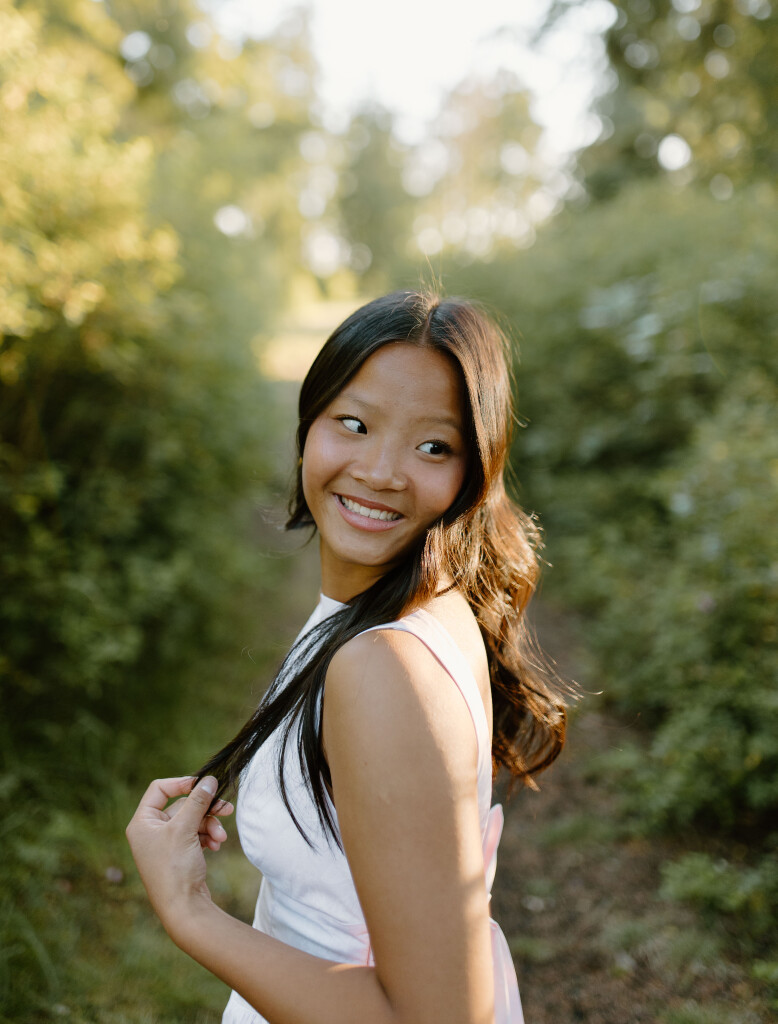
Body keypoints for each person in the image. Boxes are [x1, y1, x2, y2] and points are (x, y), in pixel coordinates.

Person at [126, 290, 568, 1024]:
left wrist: (189, 910)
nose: (381, 472)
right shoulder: (412, 608)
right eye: (355, 425)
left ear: (473, 471)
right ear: (309, 426)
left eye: (434, 447)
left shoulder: (385, 665)